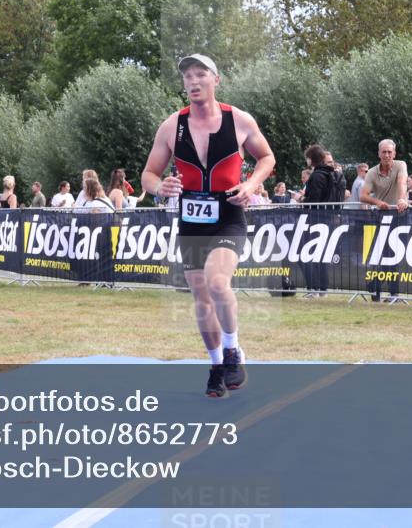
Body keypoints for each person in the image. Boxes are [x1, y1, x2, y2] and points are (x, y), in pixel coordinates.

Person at [142, 53, 275, 399]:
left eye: (200, 74)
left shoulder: (239, 120)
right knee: (201, 299)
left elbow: (267, 157)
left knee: (217, 283)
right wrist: (160, 187)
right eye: (187, 76)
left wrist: (251, 184)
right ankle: (216, 366)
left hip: (228, 212)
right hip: (191, 219)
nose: (193, 81)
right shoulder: (172, 126)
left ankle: (232, 350)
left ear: (216, 80)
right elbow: (149, 174)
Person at [360, 139, 409, 300]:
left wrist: (401, 199)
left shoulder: (401, 165)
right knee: (381, 255)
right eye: (384, 152)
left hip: (399, 215)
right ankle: (380, 290)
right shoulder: (372, 172)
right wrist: (377, 202)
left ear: (394, 154)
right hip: (381, 216)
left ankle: (388, 290)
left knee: (393, 256)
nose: (387, 155)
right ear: (379, 154)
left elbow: (402, 183)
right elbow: (363, 196)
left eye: (389, 152)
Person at [301, 144, 344, 297]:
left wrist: (302, 200)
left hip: (315, 219)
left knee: (308, 253)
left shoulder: (317, 175)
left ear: (311, 159)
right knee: (321, 254)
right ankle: (322, 288)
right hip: (327, 218)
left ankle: (313, 288)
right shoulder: (332, 174)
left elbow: (314, 199)